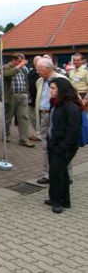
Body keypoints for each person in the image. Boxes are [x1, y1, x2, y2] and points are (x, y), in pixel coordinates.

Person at [45, 78, 81, 213]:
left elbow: (74, 130)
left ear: (62, 89)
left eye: (53, 88)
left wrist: (62, 147)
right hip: (54, 143)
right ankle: (64, 200)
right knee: (62, 172)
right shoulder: (56, 104)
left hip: (63, 146)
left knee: (55, 173)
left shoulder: (71, 107)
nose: (51, 91)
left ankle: (57, 202)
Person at [35, 58, 67, 184]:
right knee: (45, 146)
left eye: (39, 70)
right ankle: (48, 174)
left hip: (57, 116)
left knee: (60, 146)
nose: (37, 72)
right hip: (43, 116)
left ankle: (65, 175)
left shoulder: (61, 79)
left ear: (48, 69)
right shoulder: (40, 81)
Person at [2, 53, 32, 146]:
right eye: (19, 61)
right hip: (11, 96)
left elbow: (25, 81)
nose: (22, 63)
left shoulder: (23, 69)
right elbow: (7, 75)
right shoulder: (6, 67)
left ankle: (24, 139)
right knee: (8, 118)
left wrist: (27, 92)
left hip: (23, 95)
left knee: (24, 117)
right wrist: (19, 66)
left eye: (22, 61)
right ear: (14, 60)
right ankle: (5, 136)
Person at [27, 56, 42, 142]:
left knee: (40, 117)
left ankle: (40, 133)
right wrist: (28, 92)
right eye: (37, 62)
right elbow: (28, 82)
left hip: (40, 99)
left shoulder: (43, 73)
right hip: (32, 98)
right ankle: (37, 131)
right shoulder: (31, 72)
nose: (39, 63)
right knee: (31, 115)